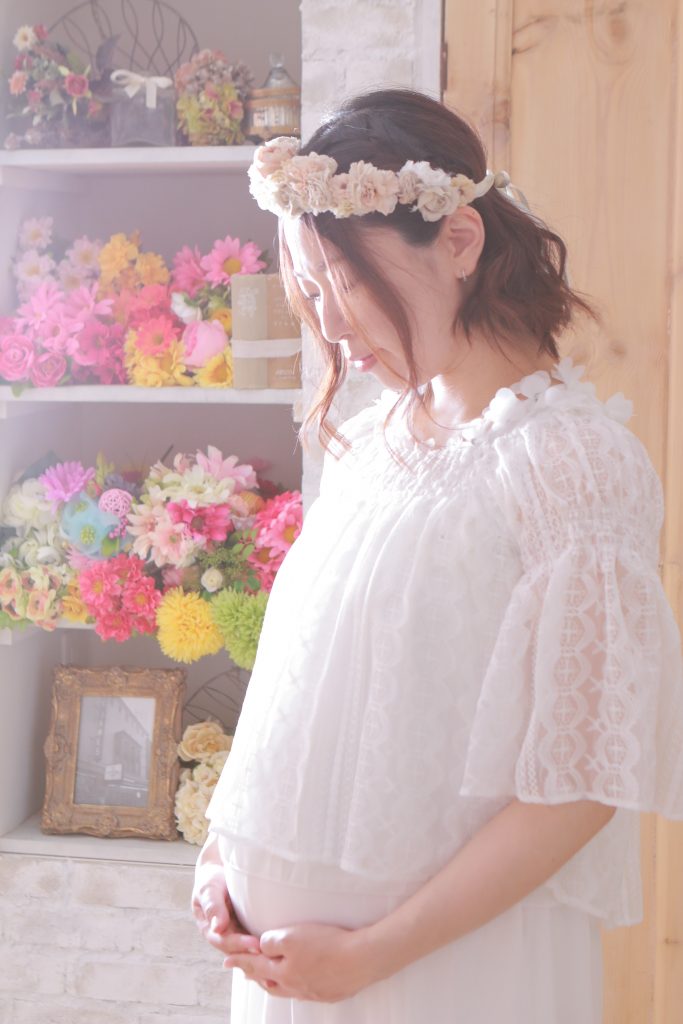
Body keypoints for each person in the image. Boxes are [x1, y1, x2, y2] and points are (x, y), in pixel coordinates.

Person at [191, 87, 683, 1023]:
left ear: (459, 240)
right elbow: (304, 685)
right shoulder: (380, 440)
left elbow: (584, 780)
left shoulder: (569, 464)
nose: (331, 326)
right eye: (309, 293)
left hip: (443, 972)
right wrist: (223, 858)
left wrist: (369, 955)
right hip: (297, 972)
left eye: (344, 282)